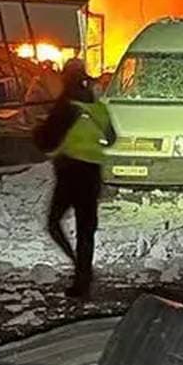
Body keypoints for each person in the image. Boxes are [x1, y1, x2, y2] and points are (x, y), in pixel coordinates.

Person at [42, 58, 113, 297]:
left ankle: (78, 267)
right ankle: (84, 277)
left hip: (69, 171)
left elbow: (46, 137)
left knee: (54, 222)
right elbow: (111, 137)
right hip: (92, 174)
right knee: (86, 228)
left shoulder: (66, 106)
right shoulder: (97, 108)